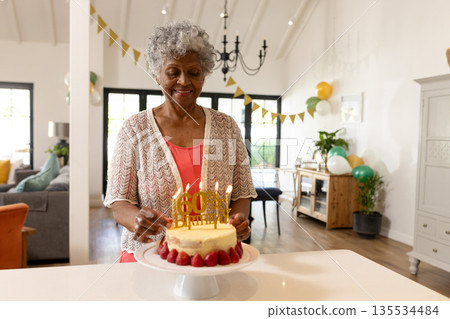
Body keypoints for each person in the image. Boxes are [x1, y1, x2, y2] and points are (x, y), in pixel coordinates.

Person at [104, 20, 257, 263]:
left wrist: (238, 220)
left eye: (193, 73)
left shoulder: (227, 127)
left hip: (211, 257)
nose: (184, 81)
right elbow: (119, 202)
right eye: (173, 72)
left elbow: (241, 193)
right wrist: (138, 220)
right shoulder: (134, 129)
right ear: (157, 75)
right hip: (148, 256)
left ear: (203, 76)